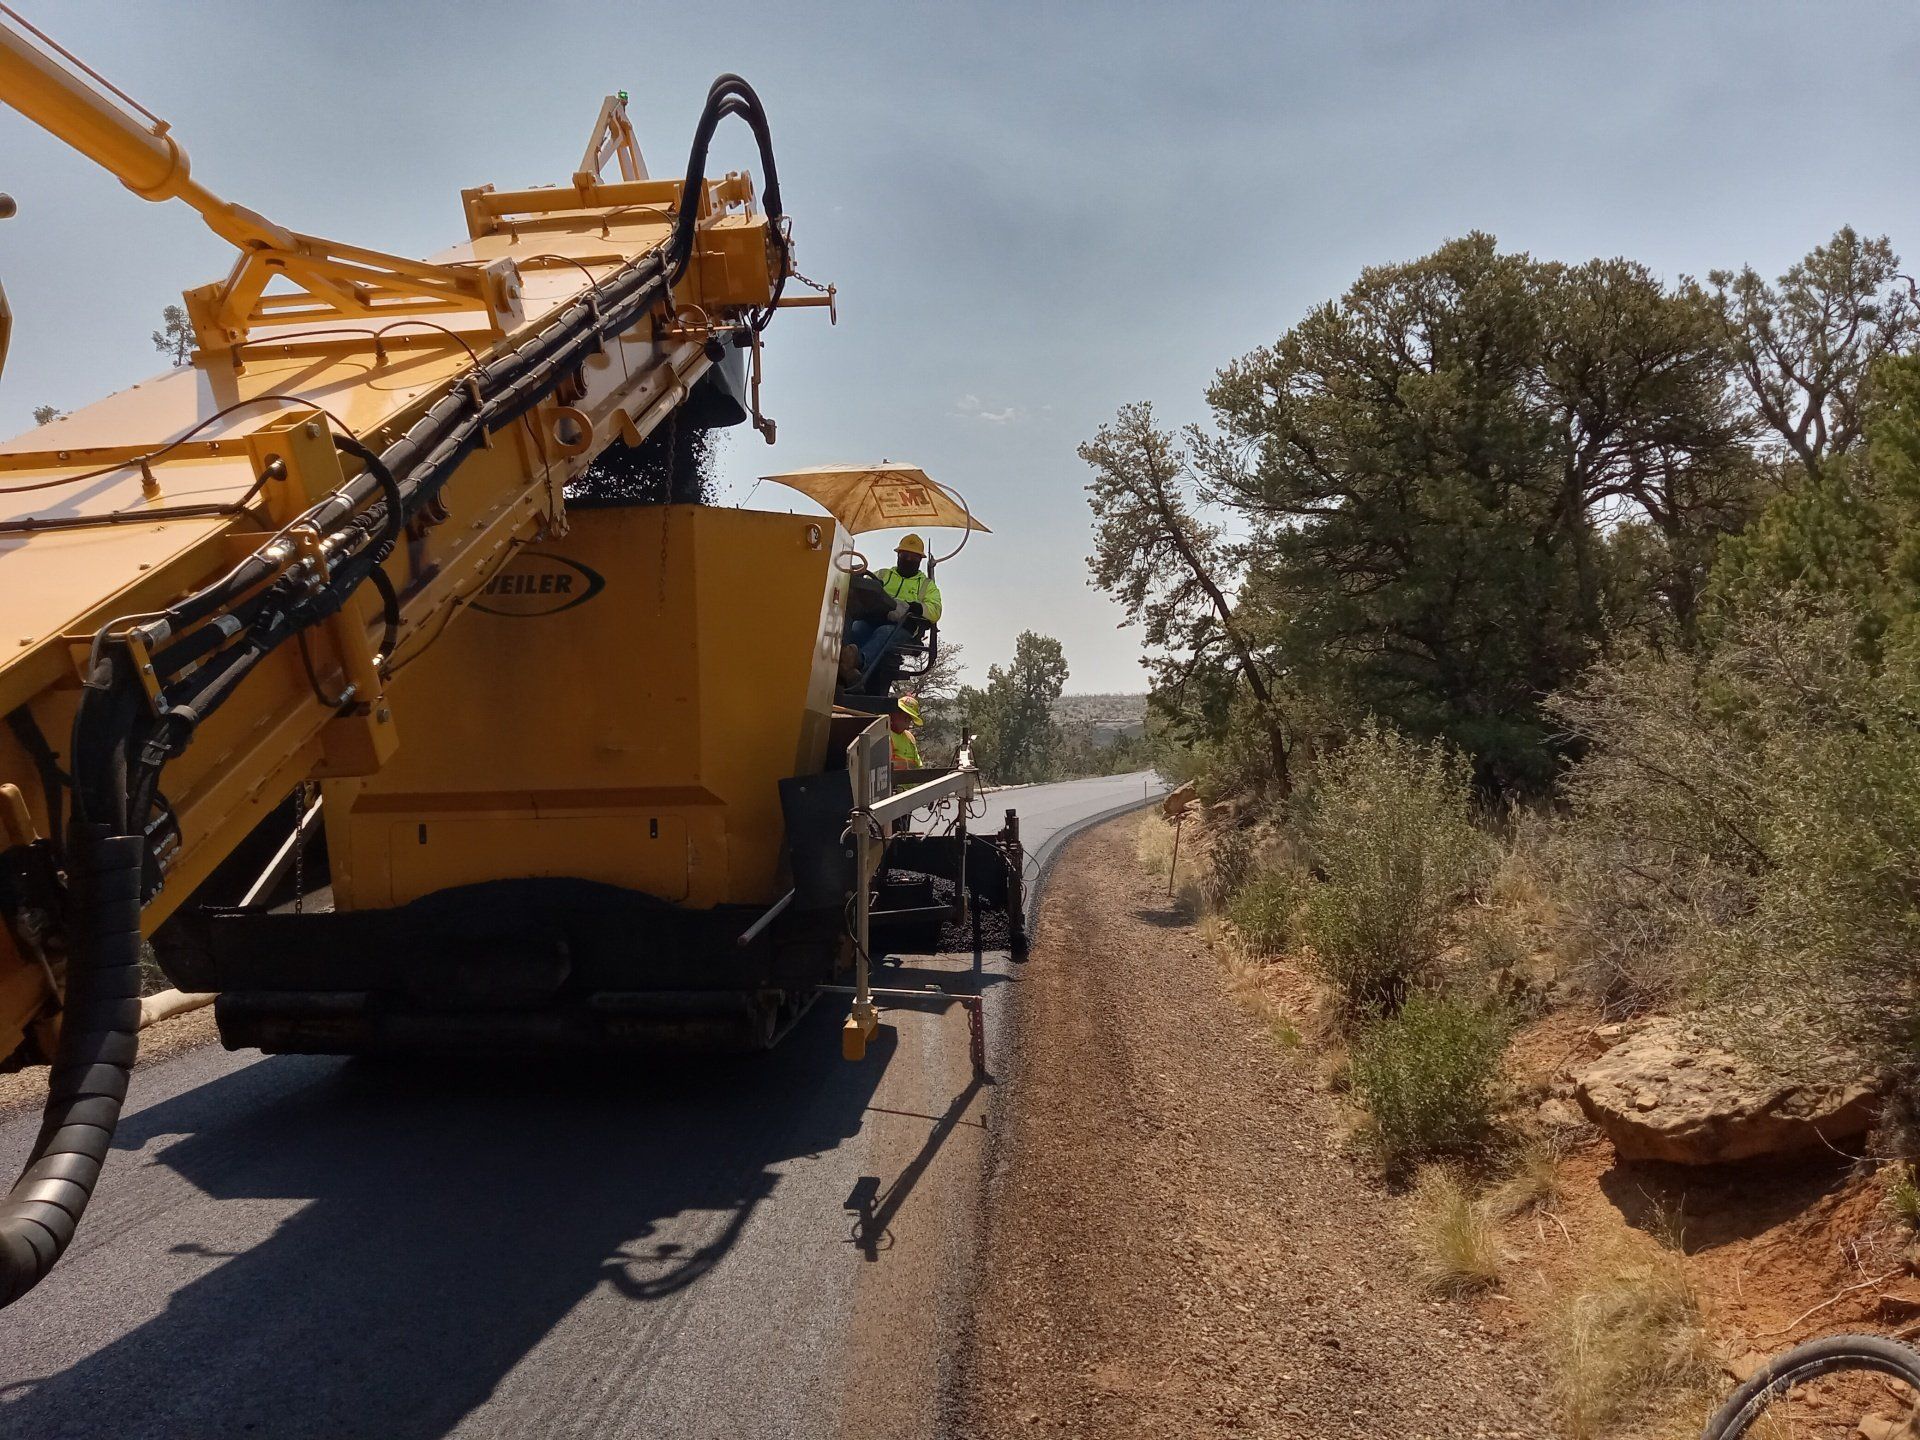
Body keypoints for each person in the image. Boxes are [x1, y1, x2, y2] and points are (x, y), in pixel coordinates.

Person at [842, 533, 943, 685]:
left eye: (913, 557)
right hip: (873, 619)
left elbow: (935, 610)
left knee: (884, 633)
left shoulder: (926, 585)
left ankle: (857, 663)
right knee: (857, 627)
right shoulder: (883, 574)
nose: (908, 560)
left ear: (920, 560)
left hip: (902, 628)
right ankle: (842, 663)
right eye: (904, 555)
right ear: (898, 555)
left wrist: (911, 607)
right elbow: (864, 591)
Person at [889, 694, 923, 770]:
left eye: (909, 719)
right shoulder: (884, 735)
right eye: (905, 717)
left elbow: (918, 765)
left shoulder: (909, 737)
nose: (907, 723)